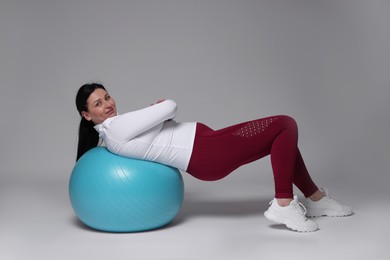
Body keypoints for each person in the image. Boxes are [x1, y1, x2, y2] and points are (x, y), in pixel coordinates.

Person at [75, 83, 353, 232]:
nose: (108, 104)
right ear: (87, 115)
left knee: (282, 140)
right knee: (285, 124)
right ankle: (283, 203)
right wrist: (160, 109)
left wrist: (158, 113)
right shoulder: (116, 127)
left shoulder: (115, 131)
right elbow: (170, 105)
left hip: (208, 146)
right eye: (98, 103)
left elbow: (161, 119)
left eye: (107, 96)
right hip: (207, 151)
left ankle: (315, 199)